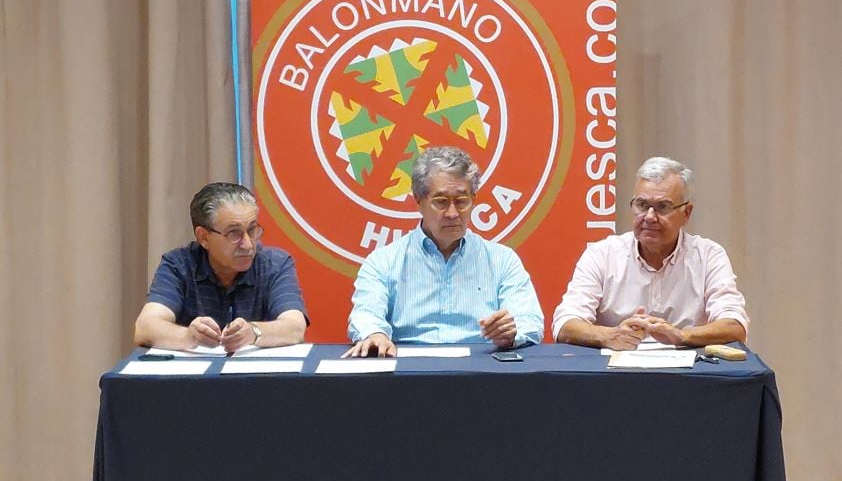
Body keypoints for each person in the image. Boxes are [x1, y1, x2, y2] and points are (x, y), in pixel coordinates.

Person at [344, 146, 544, 358]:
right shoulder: (383, 261)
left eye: (461, 201)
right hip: (408, 372)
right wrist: (375, 334)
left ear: (473, 200)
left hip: (482, 371)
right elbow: (365, 313)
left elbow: (530, 321)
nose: (452, 213)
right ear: (419, 202)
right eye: (441, 202)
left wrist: (512, 333)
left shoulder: (502, 260)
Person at [553, 156, 748, 350]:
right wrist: (610, 336)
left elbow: (734, 326)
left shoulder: (708, 256)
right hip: (615, 375)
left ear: (686, 213)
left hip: (690, 376)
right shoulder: (602, 255)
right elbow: (565, 325)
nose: (649, 217)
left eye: (663, 207)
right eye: (642, 205)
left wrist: (681, 336)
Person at [134, 182, 308, 352]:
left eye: (252, 230)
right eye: (234, 233)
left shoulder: (275, 264)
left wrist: (253, 332)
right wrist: (188, 336)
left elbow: (295, 327)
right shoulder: (179, 265)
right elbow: (145, 327)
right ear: (204, 237)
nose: (247, 244)